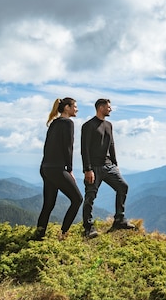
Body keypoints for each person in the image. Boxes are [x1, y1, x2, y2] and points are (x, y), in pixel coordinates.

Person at [82, 98, 135, 238]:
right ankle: (88, 227)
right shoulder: (88, 125)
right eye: (108, 107)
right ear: (100, 108)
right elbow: (84, 149)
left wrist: (115, 165)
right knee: (90, 196)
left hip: (109, 165)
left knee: (123, 187)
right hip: (94, 167)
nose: (110, 109)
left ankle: (119, 219)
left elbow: (111, 145)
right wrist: (87, 169)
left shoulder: (109, 125)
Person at [33, 97, 83, 241]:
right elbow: (68, 147)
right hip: (57, 168)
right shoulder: (68, 123)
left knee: (48, 204)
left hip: (46, 168)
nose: (77, 109)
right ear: (67, 107)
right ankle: (63, 234)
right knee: (77, 199)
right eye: (75, 106)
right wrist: (70, 169)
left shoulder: (54, 123)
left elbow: (46, 147)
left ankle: (39, 235)